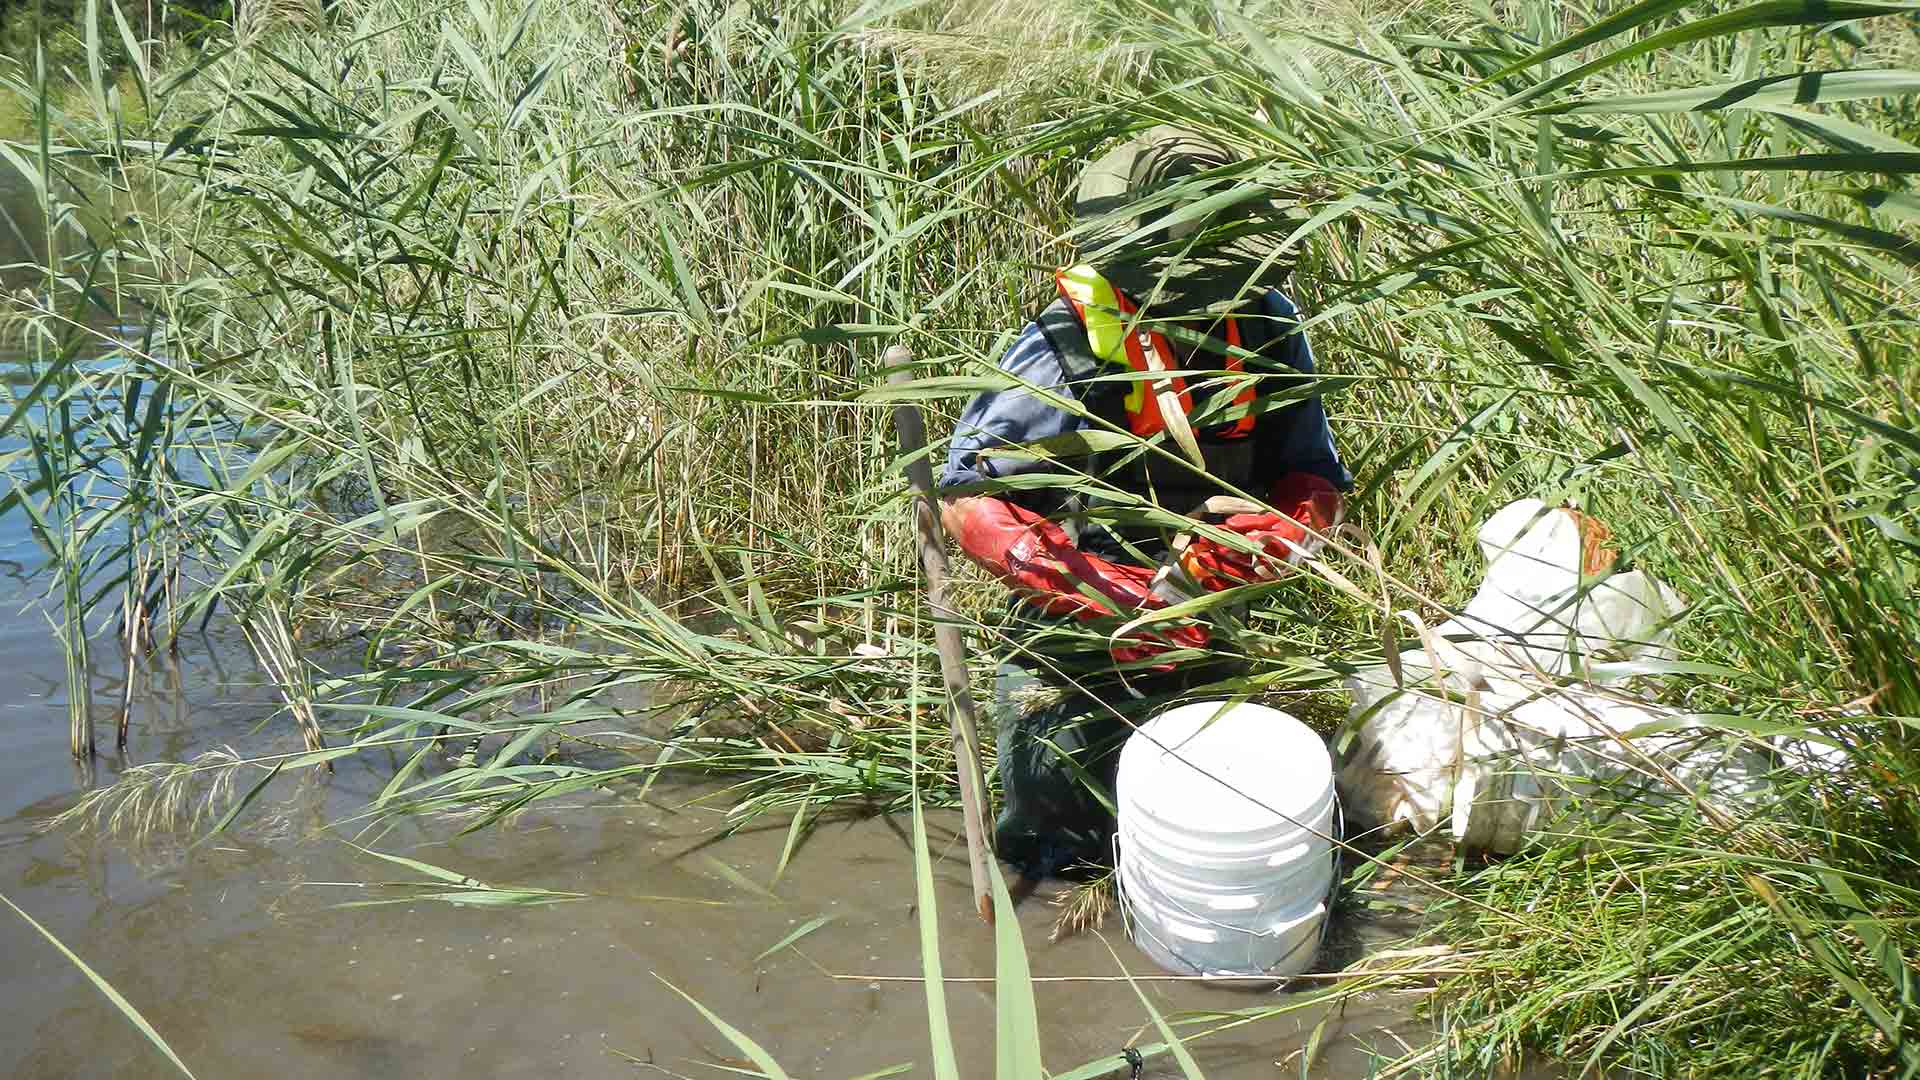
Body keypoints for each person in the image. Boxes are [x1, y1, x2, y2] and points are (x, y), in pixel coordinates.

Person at [936, 127, 1354, 879]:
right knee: (1059, 822)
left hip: (1215, 612)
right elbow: (969, 504)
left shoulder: (1267, 325)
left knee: (1210, 812)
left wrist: (1290, 531)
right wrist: (1101, 593)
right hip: (1075, 624)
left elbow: (1313, 474)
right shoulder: (1065, 344)